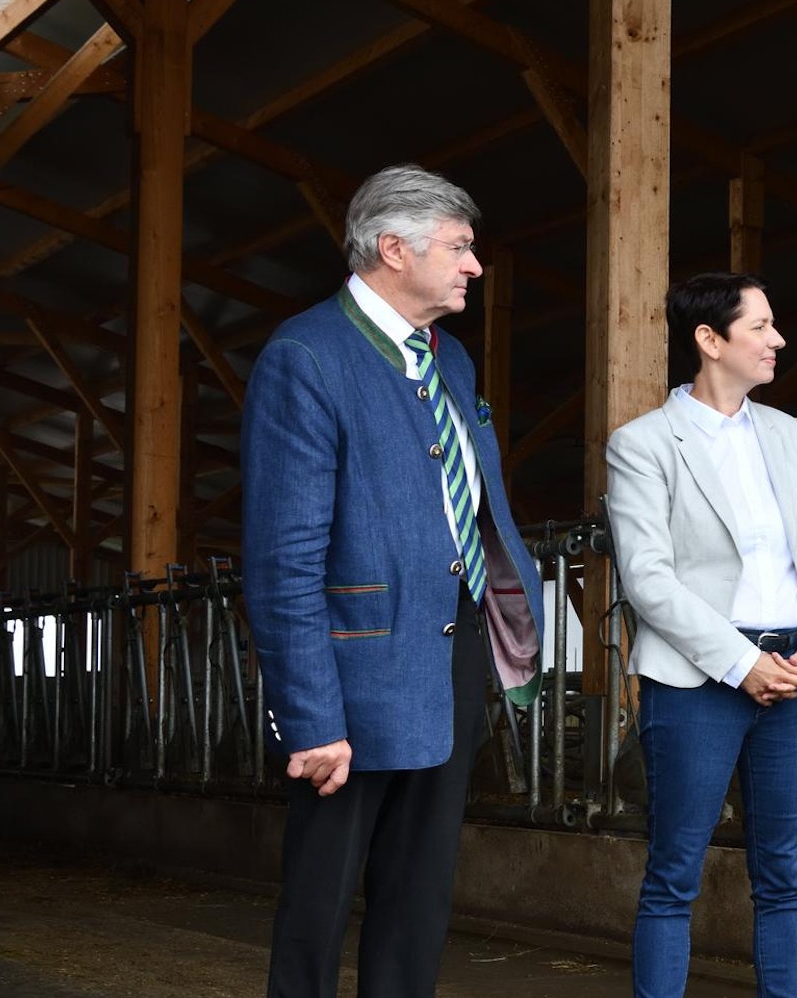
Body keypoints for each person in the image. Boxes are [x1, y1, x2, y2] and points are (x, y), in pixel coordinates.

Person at [242, 163, 545, 997]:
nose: (474, 265)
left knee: (420, 897)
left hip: (448, 653)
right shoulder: (308, 356)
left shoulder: (452, 363)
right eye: (458, 247)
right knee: (320, 899)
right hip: (354, 669)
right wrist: (310, 717)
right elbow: (284, 560)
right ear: (392, 249)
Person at [605, 272, 797, 998]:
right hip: (697, 677)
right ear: (711, 340)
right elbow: (648, 579)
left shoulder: (787, 432)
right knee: (674, 870)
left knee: (782, 872)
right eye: (761, 327)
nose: (777, 340)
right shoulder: (644, 445)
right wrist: (743, 663)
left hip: (794, 672)